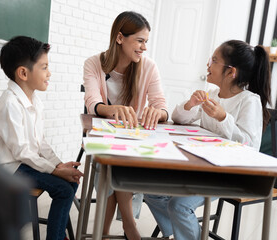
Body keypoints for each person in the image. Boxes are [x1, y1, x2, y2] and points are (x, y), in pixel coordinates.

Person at [144, 40, 271, 240]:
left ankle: (182, 233)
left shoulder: (249, 101)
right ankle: (176, 234)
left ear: (231, 72)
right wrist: (190, 104)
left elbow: (249, 147)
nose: (208, 64)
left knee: (179, 206)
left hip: (230, 173)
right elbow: (178, 119)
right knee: (151, 191)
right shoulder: (211, 95)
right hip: (201, 167)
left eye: (214, 60)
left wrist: (223, 118)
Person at [0, 36, 83, 240]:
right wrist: (55, 171)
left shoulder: (34, 100)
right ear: (23, 73)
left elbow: (39, 142)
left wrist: (59, 164)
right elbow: (23, 152)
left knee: (70, 182)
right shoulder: (10, 104)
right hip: (3, 166)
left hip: (20, 161)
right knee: (63, 189)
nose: (49, 73)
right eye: (44, 67)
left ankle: (58, 234)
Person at [83, 11, 168, 239]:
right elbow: (92, 101)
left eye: (146, 42)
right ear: (120, 38)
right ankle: (129, 226)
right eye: (139, 41)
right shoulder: (94, 63)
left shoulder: (148, 67)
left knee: (115, 165)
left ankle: (102, 231)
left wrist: (156, 112)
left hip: (133, 140)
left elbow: (162, 106)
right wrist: (110, 110)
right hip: (104, 137)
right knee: (112, 164)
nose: (144, 47)